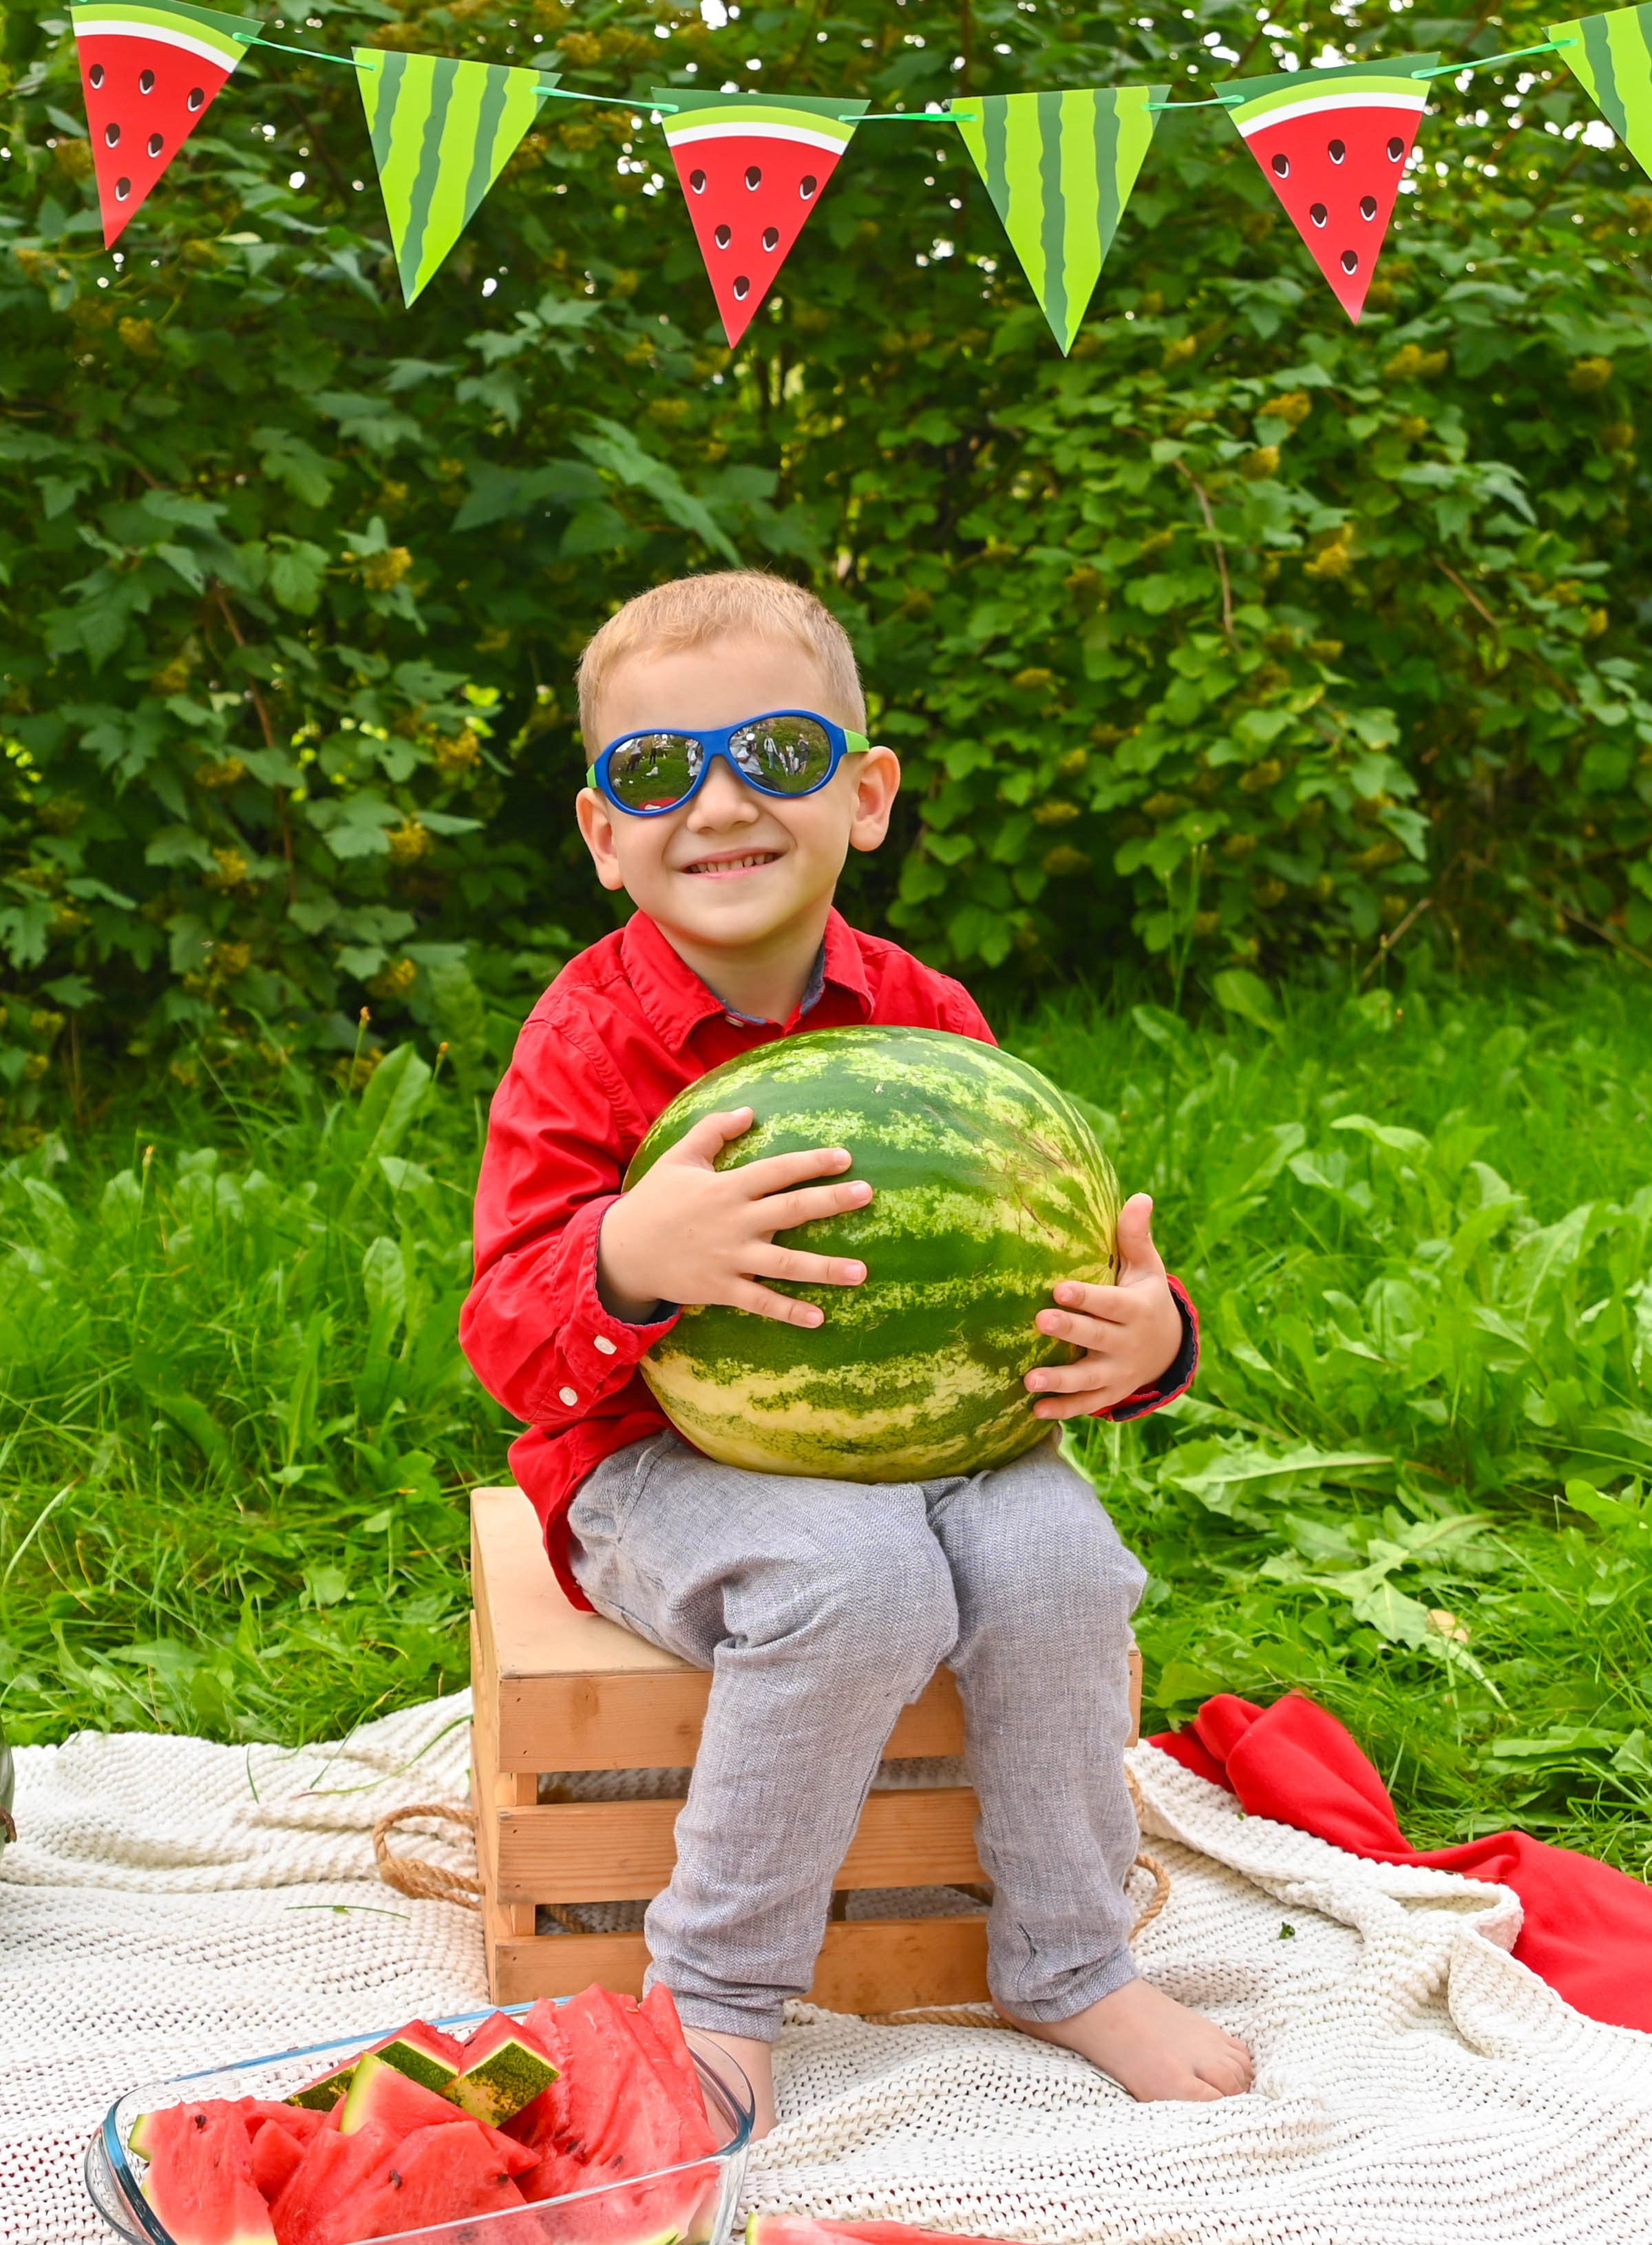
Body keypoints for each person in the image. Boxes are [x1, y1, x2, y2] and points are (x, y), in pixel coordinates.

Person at [460, 570, 1254, 2133]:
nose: (717, 801)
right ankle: (719, 1988)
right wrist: (630, 1256)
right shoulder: (586, 1042)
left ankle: (1068, 1958)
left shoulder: (921, 1017)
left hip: (931, 1439)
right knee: (856, 1584)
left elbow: (1038, 1246)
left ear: (863, 793)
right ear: (602, 833)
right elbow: (504, 1335)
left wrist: (1145, 1340)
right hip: (652, 1464)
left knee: (1062, 1570)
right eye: (653, 772)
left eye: (772, 752)